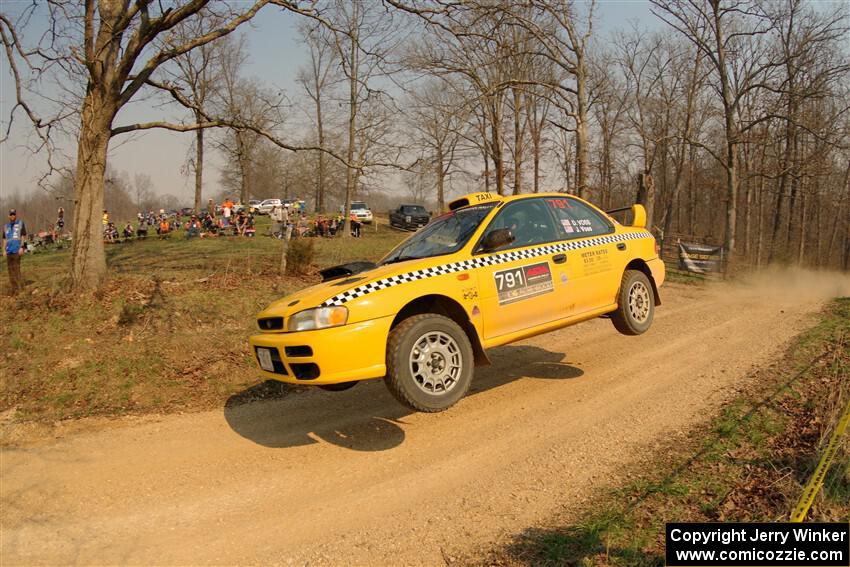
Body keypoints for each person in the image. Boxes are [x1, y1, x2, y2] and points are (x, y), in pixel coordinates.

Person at [4, 209, 27, 294]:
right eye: (11, 214)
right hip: (9, 251)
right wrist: (3, 250)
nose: (12, 216)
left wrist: (22, 247)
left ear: (16, 215)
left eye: (14, 214)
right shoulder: (6, 226)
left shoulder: (20, 223)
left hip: (17, 250)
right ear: (9, 216)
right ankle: (13, 287)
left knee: (16, 269)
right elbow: (4, 239)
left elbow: (23, 236)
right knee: (10, 270)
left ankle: (18, 287)